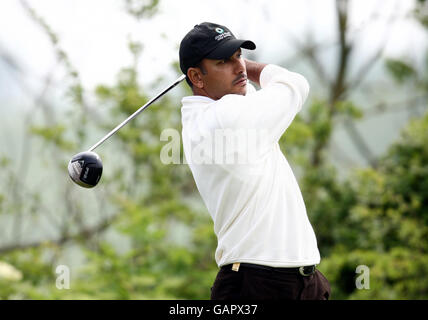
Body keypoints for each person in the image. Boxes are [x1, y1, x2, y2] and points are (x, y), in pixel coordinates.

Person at [178, 22, 331, 300]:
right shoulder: (227, 118)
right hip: (259, 282)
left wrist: (233, 67)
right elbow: (295, 83)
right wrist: (252, 66)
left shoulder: (206, 116)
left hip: (296, 279)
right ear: (196, 77)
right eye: (224, 61)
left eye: (238, 56)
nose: (239, 68)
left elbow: (245, 91)